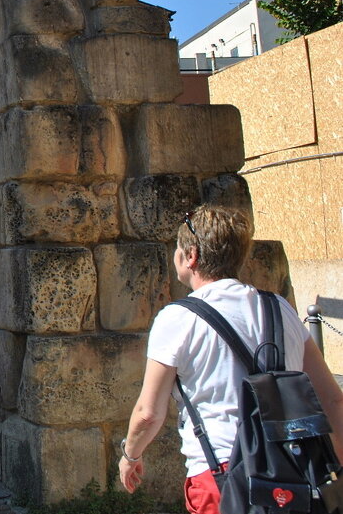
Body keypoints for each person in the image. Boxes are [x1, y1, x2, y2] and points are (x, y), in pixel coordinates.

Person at [119, 204, 343, 513]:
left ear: (191, 256)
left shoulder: (177, 319)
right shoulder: (280, 309)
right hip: (293, 471)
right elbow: (332, 400)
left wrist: (130, 455)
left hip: (220, 474)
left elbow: (148, 413)